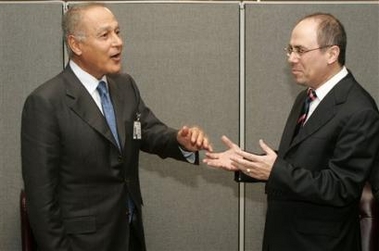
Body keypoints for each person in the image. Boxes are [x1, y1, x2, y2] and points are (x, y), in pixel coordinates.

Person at [21, 3, 212, 251]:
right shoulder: (46, 103)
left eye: (118, 32)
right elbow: (41, 200)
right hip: (82, 243)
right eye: (105, 35)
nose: (118, 42)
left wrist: (179, 140)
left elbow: (147, 131)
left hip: (130, 234)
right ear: (75, 44)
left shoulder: (124, 85)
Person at [204, 12, 379, 251]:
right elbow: (299, 160)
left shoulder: (359, 109)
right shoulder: (306, 97)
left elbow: (341, 188)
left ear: (332, 53)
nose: (292, 59)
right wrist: (244, 161)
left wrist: (275, 170)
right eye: (290, 50)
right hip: (285, 237)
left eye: (300, 50)